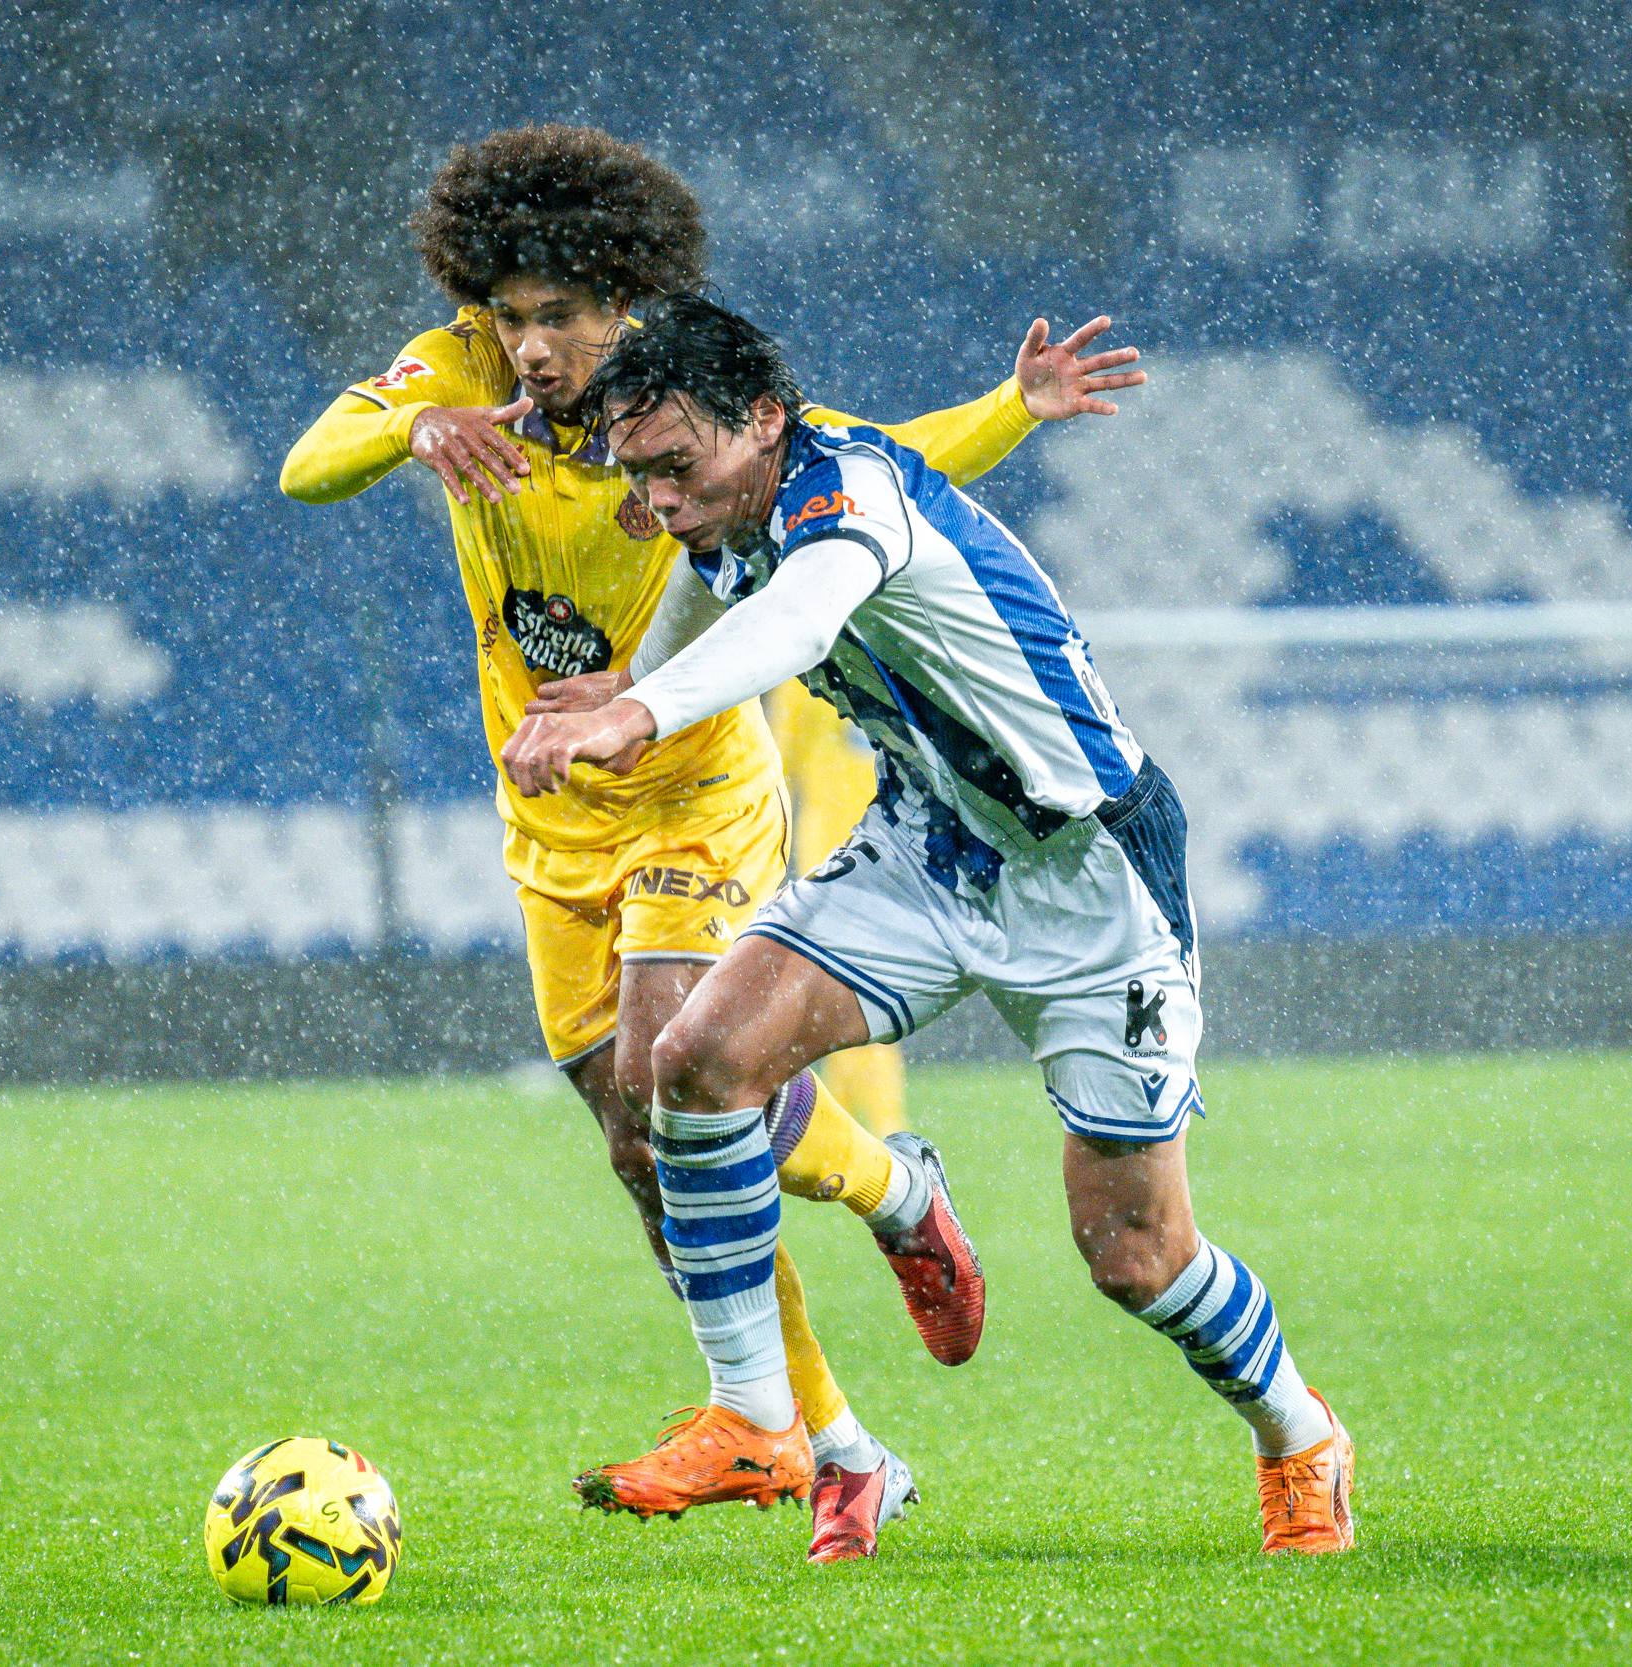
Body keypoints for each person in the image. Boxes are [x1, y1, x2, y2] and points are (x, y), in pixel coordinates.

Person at [278, 125, 1146, 1560]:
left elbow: (876, 463)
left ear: (625, 297)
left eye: (562, 314)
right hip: (551, 816)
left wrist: (1014, 405)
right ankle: (846, 1437)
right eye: (515, 315)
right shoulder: (458, 377)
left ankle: (845, 1268)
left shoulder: (674, 395)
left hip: (693, 792)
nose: (536, 346)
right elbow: (311, 464)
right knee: (644, 1145)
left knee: (666, 1074)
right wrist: (412, 426)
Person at [505, 294, 1357, 1556]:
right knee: (691, 1062)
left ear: (764, 420)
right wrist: (634, 676)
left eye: (679, 467)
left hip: (1088, 879)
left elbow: (794, 619)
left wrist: (636, 720)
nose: (665, 502)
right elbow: (708, 583)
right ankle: (755, 1414)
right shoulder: (722, 515)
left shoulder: (848, 498)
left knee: (1132, 1254)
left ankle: (1299, 1437)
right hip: (926, 848)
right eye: (641, 476)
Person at [769, 686, 909, 1134]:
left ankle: (869, 1125)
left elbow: (779, 763)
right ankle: (862, 1122)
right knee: (873, 980)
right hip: (895, 840)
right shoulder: (883, 650)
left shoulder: (798, 669)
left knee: (844, 984)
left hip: (832, 849)